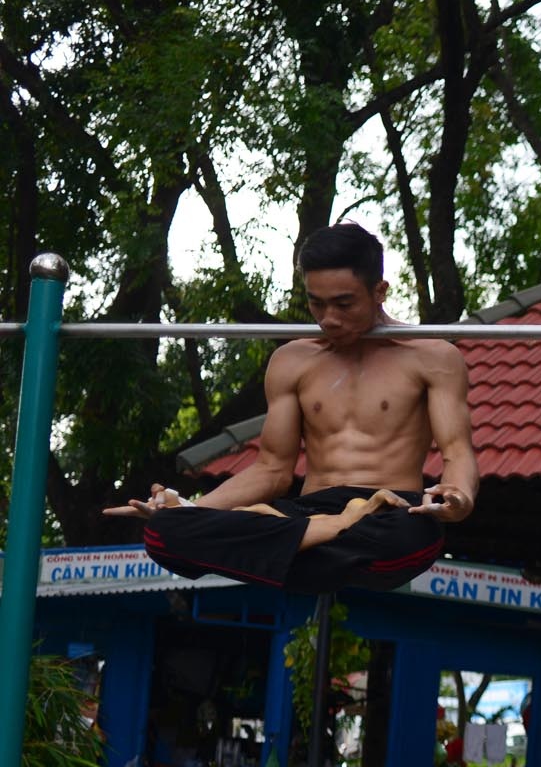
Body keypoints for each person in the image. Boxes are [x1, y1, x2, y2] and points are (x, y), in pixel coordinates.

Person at [107, 222, 477, 594]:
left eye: (344, 304)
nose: (329, 318)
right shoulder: (292, 360)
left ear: (379, 291)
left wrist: (459, 498)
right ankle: (326, 532)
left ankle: (301, 544)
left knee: (413, 534)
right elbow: (272, 470)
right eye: (317, 303)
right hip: (310, 514)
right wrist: (189, 509)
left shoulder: (432, 357)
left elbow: (457, 450)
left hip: (387, 514)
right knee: (163, 534)